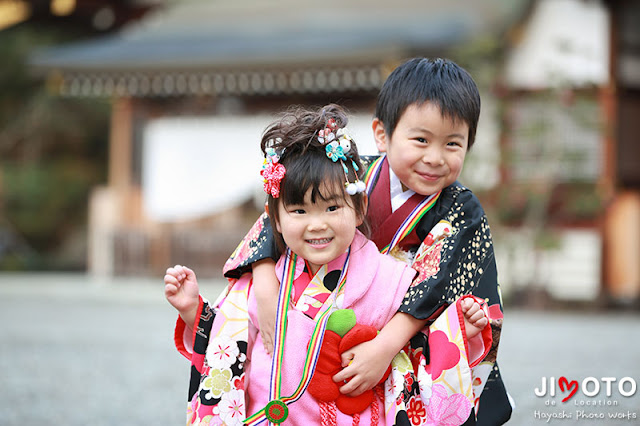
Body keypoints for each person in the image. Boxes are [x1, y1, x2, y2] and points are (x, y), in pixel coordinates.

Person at [223, 58, 511, 425]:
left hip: (401, 339)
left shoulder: (461, 208)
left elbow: (436, 287)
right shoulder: (352, 174)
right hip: (327, 325)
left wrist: (384, 348)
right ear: (382, 134)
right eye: (420, 139)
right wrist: (264, 279)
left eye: (453, 143)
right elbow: (286, 212)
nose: (435, 158)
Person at [166, 104, 492, 425]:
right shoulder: (264, 277)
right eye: (299, 212)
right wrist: (193, 310)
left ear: (359, 208)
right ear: (274, 219)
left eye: (333, 208)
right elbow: (229, 337)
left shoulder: (387, 277)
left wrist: (461, 327)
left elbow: (420, 344)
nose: (317, 224)